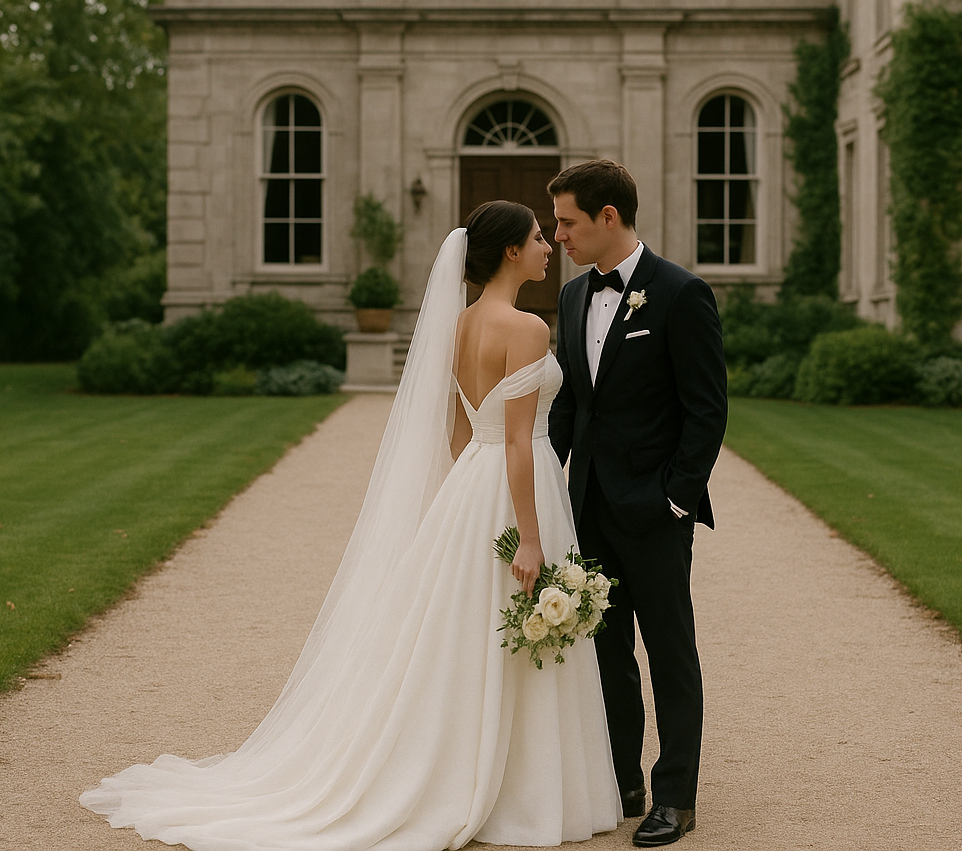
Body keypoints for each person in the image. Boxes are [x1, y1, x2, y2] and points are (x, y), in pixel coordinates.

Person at [80, 201, 621, 850]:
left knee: (468, 637)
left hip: (470, 487)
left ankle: (478, 768)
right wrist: (529, 536)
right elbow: (513, 443)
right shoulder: (527, 328)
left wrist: (463, 506)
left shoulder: (459, 327)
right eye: (538, 237)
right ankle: (524, 792)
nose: (547, 246)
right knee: (513, 629)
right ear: (510, 252)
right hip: (515, 487)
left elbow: (459, 433)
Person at [547, 160, 728, 848]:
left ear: (608, 218)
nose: (557, 234)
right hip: (588, 506)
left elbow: (706, 412)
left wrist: (674, 502)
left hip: (654, 513)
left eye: (567, 222)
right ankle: (622, 779)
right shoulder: (569, 298)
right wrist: (545, 479)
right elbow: (573, 406)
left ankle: (675, 796)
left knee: (669, 651)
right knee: (605, 650)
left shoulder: (681, 294)